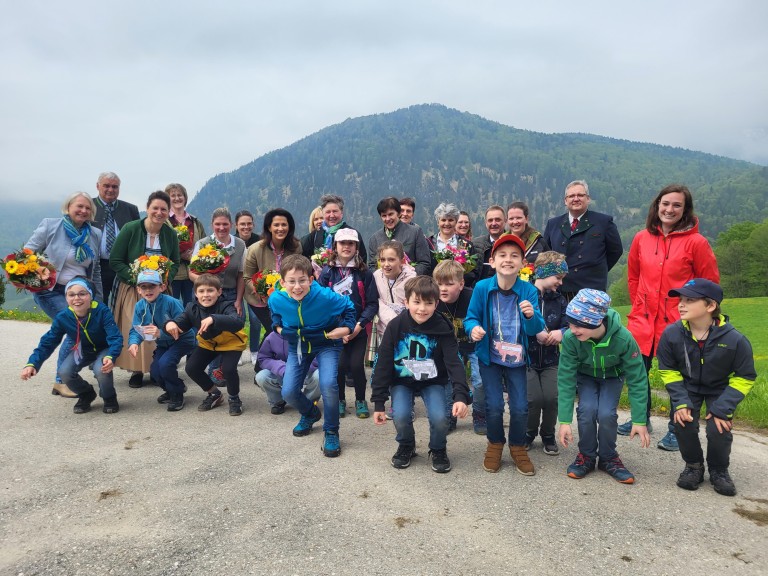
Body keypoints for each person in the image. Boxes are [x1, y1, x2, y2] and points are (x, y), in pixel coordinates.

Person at [622, 184, 720, 452]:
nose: (669, 209)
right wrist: (638, 302)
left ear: (685, 210)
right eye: (665, 204)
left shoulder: (696, 243)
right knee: (637, 370)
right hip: (643, 318)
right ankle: (640, 418)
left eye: (677, 205)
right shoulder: (642, 238)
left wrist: (698, 314)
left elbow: (709, 283)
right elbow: (633, 275)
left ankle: (680, 428)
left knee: (681, 377)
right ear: (657, 206)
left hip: (678, 321)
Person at [657, 279, 756, 496]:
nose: (681, 304)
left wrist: (724, 407)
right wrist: (680, 401)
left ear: (710, 306)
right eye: (680, 300)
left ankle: (719, 470)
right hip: (687, 386)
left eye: (690, 300)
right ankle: (693, 466)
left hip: (719, 388)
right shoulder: (672, 334)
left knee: (718, 428)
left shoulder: (735, 339)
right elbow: (667, 369)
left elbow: (745, 376)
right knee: (683, 422)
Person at [464, 234, 546, 475]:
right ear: (492, 260)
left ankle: (518, 446)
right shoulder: (481, 288)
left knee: (521, 406)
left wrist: (531, 316)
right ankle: (495, 443)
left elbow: (536, 329)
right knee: (494, 405)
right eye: (502, 255)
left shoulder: (529, 291)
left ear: (522, 263)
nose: (508, 260)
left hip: (518, 360)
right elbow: (471, 318)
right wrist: (473, 329)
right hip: (490, 357)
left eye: (514, 256)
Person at [372, 276, 471, 473]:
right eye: (416, 302)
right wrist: (379, 402)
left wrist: (461, 395)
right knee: (399, 415)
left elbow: (454, 362)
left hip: (432, 381)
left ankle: (438, 449)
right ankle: (407, 445)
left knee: (440, 417)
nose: (422, 309)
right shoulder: (395, 327)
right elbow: (382, 364)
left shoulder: (443, 328)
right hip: (402, 380)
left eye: (428, 303)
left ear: (437, 303)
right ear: (406, 302)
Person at [557, 289, 651, 484]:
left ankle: (609, 458)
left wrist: (639, 420)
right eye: (570, 324)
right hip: (586, 376)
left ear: (596, 321)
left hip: (612, 377)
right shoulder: (571, 339)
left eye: (579, 325)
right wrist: (564, 421)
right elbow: (566, 378)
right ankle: (587, 456)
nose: (572, 330)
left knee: (606, 413)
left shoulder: (624, 339)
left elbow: (638, 379)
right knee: (587, 409)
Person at [268, 254, 356, 458]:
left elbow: (349, 307)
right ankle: (310, 413)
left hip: (327, 344)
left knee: (328, 385)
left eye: (302, 280)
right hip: (297, 346)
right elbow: (274, 315)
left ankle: (331, 430)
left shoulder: (325, 296)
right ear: (282, 282)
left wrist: (346, 328)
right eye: (291, 281)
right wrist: (278, 328)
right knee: (288, 392)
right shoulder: (276, 298)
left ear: (311, 279)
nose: (297, 286)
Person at [24, 192, 104, 398]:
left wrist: (97, 297)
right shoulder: (51, 226)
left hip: (79, 292)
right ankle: (63, 380)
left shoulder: (94, 234)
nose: (83, 211)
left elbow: (94, 270)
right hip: (51, 291)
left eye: (88, 208)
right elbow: (27, 253)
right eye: (79, 206)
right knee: (75, 328)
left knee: (76, 330)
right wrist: (33, 277)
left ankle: (65, 378)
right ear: (68, 207)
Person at [21, 278, 123, 414]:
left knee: (101, 369)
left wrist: (111, 355)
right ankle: (86, 393)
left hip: (105, 348)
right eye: (71, 294)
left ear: (91, 296)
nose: (77, 298)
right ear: (66, 297)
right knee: (64, 372)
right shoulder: (63, 316)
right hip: (83, 349)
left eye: (82, 294)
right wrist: (32, 363)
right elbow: (48, 341)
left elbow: (115, 336)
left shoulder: (101, 310)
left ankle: (109, 397)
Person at [109, 191, 180, 388]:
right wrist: (136, 279)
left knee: (159, 325)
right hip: (133, 288)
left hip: (160, 288)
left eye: (163, 209)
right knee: (137, 324)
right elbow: (116, 260)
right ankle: (137, 370)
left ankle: (157, 367)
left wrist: (164, 279)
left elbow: (174, 262)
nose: (159, 212)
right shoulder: (130, 229)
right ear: (147, 208)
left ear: (168, 212)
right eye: (155, 208)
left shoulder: (170, 233)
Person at [165, 274, 247, 415]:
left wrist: (213, 319)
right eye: (201, 291)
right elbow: (181, 323)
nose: (206, 295)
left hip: (230, 342)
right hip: (209, 343)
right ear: (195, 294)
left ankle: (234, 398)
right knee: (191, 368)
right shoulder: (192, 308)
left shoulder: (227, 305)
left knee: (228, 369)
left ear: (219, 292)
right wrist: (170, 324)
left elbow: (237, 322)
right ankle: (214, 394)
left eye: (210, 291)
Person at [318, 228, 378, 419]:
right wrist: (335, 328)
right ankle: (341, 400)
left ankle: (361, 400)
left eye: (350, 243)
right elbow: (320, 300)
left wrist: (358, 325)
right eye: (342, 243)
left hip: (358, 329)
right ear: (335, 246)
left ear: (356, 247)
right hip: (335, 329)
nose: (346, 247)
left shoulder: (364, 273)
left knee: (356, 365)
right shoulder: (328, 272)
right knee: (340, 366)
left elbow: (372, 303)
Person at [189, 207, 247, 384]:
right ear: (212, 225)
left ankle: (226, 367)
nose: (221, 228)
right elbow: (191, 272)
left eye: (225, 224)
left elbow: (241, 274)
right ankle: (214, 369)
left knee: (231, 327)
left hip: (229, 292)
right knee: (211, 331)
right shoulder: (203, 243)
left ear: (231, 224)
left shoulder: (239, 245)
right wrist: (205, 283)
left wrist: (238, 300)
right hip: (207, 295)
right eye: (217, 224)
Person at [127, 269, 196, 412]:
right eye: (144, 287)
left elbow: (182, 326)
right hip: (163, 343)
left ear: (162, 287)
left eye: (152, 286)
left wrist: (160, 333)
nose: (148, 290)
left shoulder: (172, 302)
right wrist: (134, 342)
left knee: (165, 364)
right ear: (138, 290)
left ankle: (177, 394)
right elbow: (136, 328)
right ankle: (172, 389)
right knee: (155, 372)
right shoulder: (140, 306)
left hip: (183, 340)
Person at [543, 180, 623, 299]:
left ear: (588, 199)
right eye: (571, 196)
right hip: (560, 291)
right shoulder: (553, 224)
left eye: (580, 195)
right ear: (566, 201)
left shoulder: (603, 222)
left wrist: (597, 271)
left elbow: (616, 251)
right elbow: (546, 254)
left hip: (592, 291)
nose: (576, 199)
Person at [524, 251, 569, 455]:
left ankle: (548, 433)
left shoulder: (560, 301)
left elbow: (570, 325)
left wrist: (561, 333)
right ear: (543, 272)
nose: (560, 283)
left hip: (551, 359)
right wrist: (536, 331)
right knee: (533, 399)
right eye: (558, 278)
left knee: (552, 398)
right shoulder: (525, 295)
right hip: (528, 359)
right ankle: (528, 432)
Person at [433, 260, 484, 434]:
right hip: (450, 348)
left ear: (461, 284)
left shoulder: (472, 297)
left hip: (474, 345)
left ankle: (480, 414)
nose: (443, 289)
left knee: (480, 379)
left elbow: (484, 318)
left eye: (449, 284)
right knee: (448, 378)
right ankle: (450, 414)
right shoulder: (434, 301)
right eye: (439, 284)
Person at [243, 208, 303, 347]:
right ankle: (263, 361)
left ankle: (272, 358)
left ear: (290, 227)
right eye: (276, 225)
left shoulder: (296, 247)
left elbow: (299, 273)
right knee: (273, 328)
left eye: (284, 225)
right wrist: (261, 292)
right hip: (260, 301)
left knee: (282, 327)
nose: (280, 228)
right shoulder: (255, 249)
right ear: (269, 227)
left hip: (286, 298)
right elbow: (247, 277)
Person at [92, 172, 140, 304]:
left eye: (115, 187)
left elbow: (138, 237)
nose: (110, 190)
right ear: (98, 186)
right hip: (97, 266)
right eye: (106, 186)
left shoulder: (130, 209)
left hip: (123, 265)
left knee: (124, 303)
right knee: (98, 302)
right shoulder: (88, 207)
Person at [255, 331, 321, 415]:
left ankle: (308, 402)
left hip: (306, 370)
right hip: (282, 372)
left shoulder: (311, 333)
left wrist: (299, 368)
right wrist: (281, 368)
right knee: (261, 376)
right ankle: (278, 401)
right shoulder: (271, 337)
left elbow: (319, 356)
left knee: (321, 375)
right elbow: (263, 358)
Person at [367, 197, 431, 276]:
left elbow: (424, 263)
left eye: (391, 214)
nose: (387, 219)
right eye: (384, 216)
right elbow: (372, 266)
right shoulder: (375, 239)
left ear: (399, 213)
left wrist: (408, 276)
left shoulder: (415, 232)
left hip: (410, 285)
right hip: (383, 286)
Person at [166, 183, 206, 307]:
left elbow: (205, 244)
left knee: (193, 308)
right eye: (173, 196)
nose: (177, 198)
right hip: (173, 274)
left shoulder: (195, 221)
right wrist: (180, 255)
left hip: (193, 274)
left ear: (185, 198)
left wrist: (196, 255)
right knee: (173, 308)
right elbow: (162, 246)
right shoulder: (164, 221)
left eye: (180, 195)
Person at [301, 194, 367, 263]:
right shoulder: (315, 235)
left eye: (335, 211)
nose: (331, 215)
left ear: (341, 213)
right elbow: (304, 259)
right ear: (323, 214)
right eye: (328, 212)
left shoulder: (352, 234)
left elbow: (362, 260)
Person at [373, 240, 417, 340]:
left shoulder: (411, 280)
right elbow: (375, 302)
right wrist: (392, 320)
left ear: (402, 261)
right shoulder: (376, 276)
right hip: (384, 332)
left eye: (391, 260)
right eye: (382, 260)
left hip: (407, 332)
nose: (386, 264)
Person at [234, 210, 262, 365]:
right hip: (235, 283)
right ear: (236, 226)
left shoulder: (259, 241)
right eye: (242, 224)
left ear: (253, 224)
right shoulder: (232, 242)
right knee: (238, 318)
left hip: (253, 284)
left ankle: (254, 350)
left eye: (249, 223)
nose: (246, 227)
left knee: (255, 319)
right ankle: (238, 350)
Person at [426, 202, 477, 285]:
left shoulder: (467, 245)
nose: (446, 223)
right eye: (443, 220)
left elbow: (473, 272)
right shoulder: (428, 243)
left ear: (456, 222)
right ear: (438, 222)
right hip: (433, 290)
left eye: (450, 220)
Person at [507, 201, 549, 266]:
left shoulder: (538, 241)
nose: (515, 222)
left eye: (518, 218)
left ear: (526, 219)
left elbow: (550, 267)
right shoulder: (501, 241)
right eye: (511, 219)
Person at [472, 205, 506, 282]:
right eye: (490, 220)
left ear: (505, 221)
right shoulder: (476, 245)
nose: (493, 223)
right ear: (486, 223)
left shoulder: (512, 244)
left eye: (497, 220)